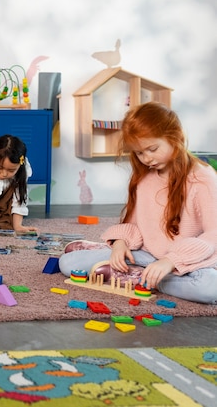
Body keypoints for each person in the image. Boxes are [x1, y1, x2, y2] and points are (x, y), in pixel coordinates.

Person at [59, 102, 217, 305]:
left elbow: (213, 235)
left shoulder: (203, 179)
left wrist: (170, 262)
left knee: (210, 288)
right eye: (140, 153)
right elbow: (134, 225)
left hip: (187, 262)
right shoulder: (145, 178)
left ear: (175, 138)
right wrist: (120, 244)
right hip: (147, 256)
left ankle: (142, 279)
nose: (146, 158)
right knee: (68, 263)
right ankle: (143, 274)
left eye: (152, 149)